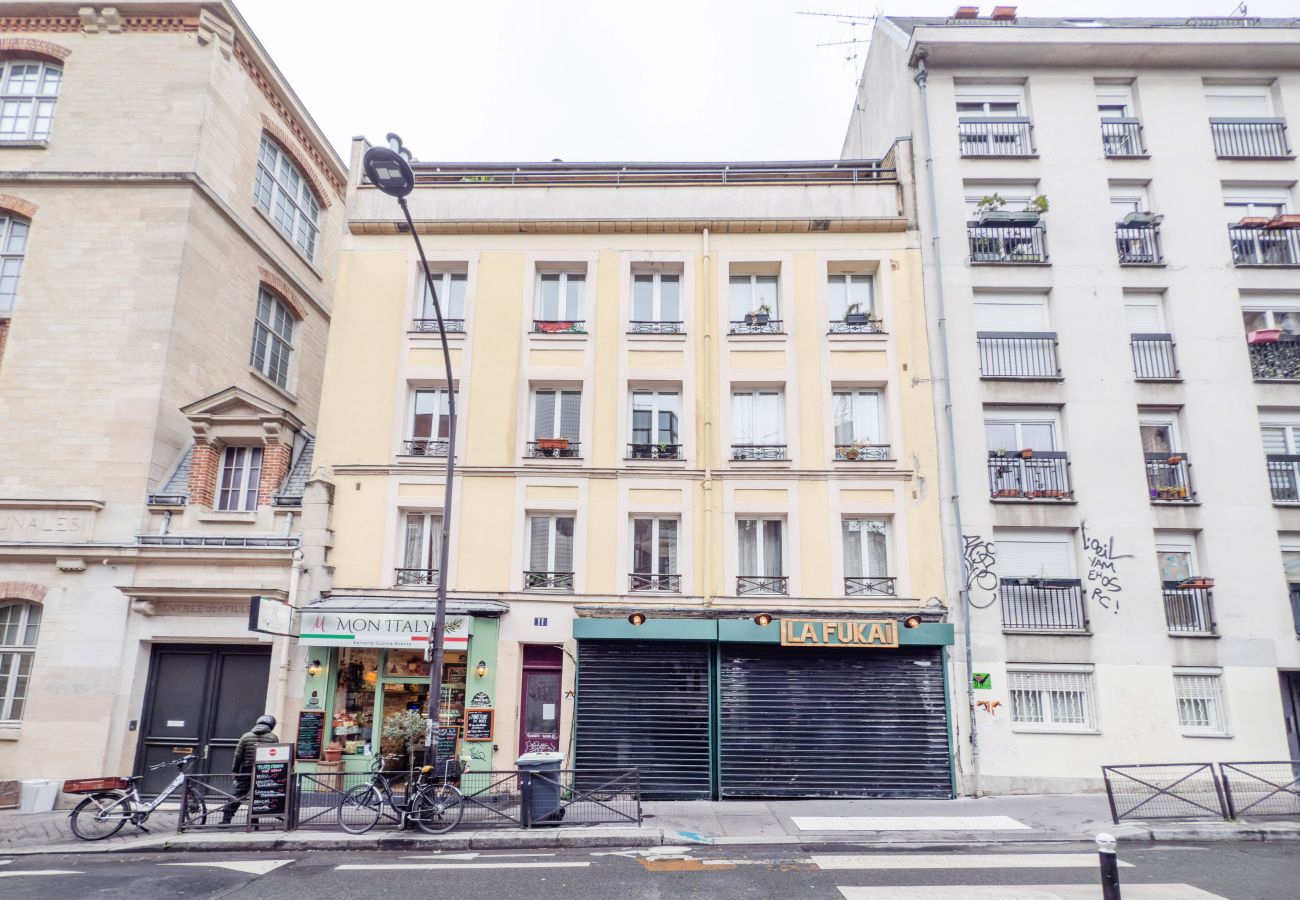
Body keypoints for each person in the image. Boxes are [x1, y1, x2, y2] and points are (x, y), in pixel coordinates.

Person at [220, 714, 278, 825]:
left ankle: (226, 819)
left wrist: (235, 771)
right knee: (259, 795)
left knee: (238, 794)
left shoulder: (245, 736)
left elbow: (238, 756)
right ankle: (253, 820)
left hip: (246, 770)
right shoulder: (272, 738)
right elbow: (275, 755)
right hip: (264, 770)